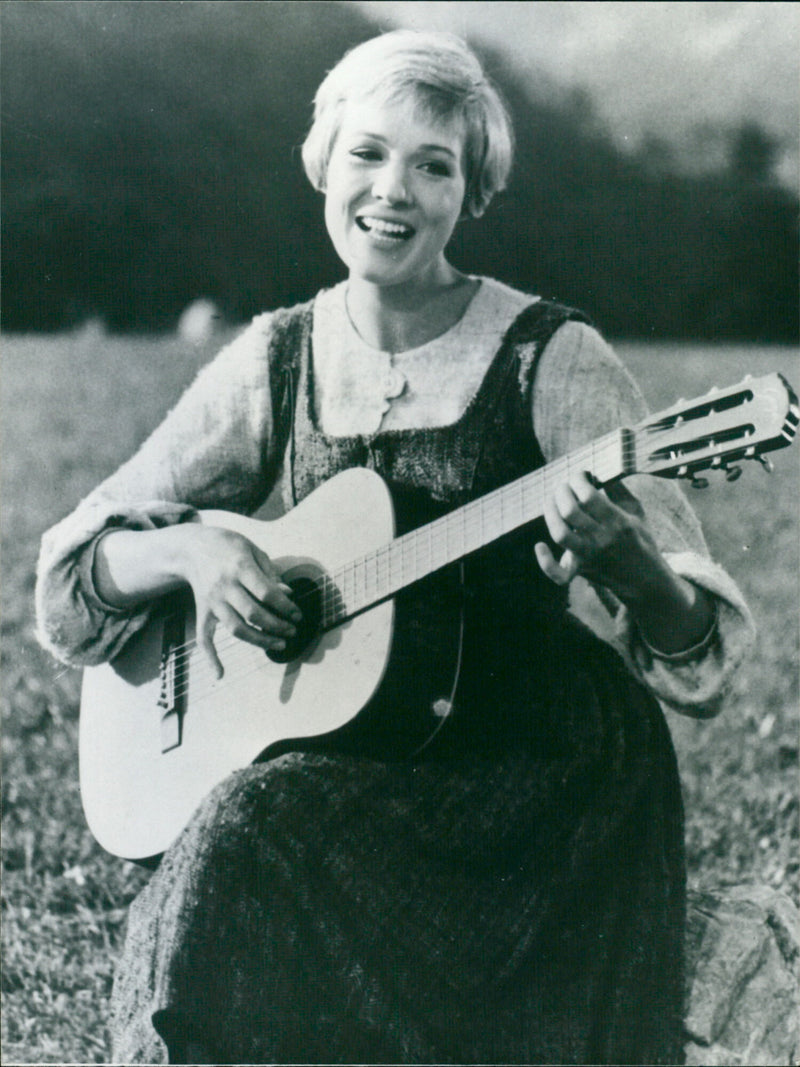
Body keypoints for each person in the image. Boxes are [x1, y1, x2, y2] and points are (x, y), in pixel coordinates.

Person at [36, 30, 755, 1066]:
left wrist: (636, 572)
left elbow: (698, 659)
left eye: (434, 164)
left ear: (473, 194)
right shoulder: (273, 358)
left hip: (531, 773)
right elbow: (72, 580)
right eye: (368, 153)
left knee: (241, 827)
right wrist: (189, 554)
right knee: (240, 822)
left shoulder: (550, 358)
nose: (394, 189)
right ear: (324, 163)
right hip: (347, 754)